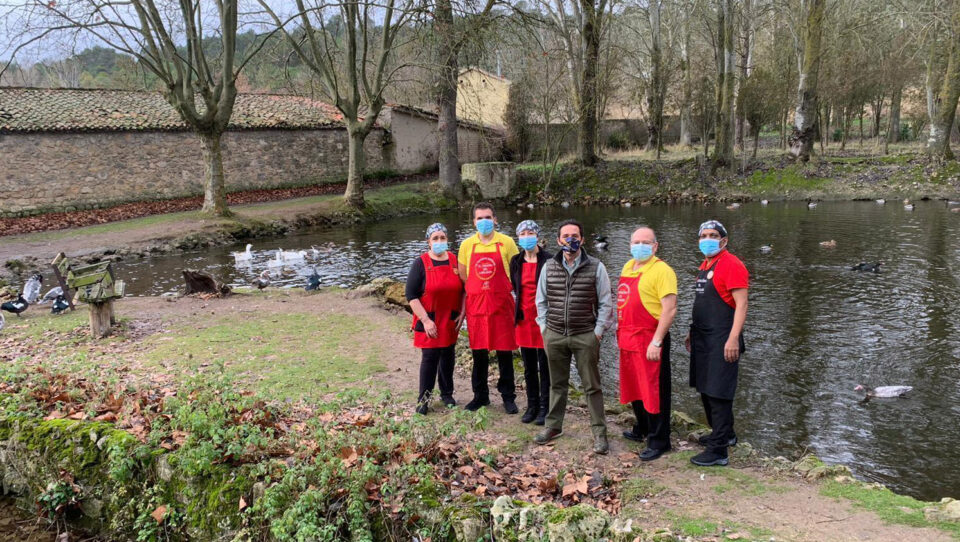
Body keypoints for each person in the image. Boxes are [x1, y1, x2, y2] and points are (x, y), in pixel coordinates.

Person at [534, 219, 614, 454]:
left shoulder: (596, 266)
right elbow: (541, 301)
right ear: (558, 240)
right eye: (566, 236)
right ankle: (553, 426)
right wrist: (545, 330)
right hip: (555, 335)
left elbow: (606, 303)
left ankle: (599, 434)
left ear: (582, 239)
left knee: (592, 386)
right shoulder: (549, 266)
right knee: (556, 384)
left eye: (575, 235)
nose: (571, 239)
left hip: (584, 335)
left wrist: (597, 333)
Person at [685, 220, 749, 467]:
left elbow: (741, 304)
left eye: (713, 235)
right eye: (703, 235)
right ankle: (726, 434)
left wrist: (733, 338)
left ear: (724, 240)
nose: (707, 239)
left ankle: (719, 451)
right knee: (705, 387)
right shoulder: (706, 264)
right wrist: (693, 331)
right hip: (703, 336)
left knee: (718, 392)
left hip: (723, 337)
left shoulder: (732, 264)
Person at [617, 226, 678, 461]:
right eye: (635, 242)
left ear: (655, 246)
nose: (639, 246)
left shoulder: (662, 270)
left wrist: (657, 341)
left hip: (650, 338)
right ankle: (642, 428)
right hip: (628, 337)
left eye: (645, 242)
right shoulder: (628, 266)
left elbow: (670, 309)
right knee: (635, 386)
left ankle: (660, 439)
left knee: (655, 389)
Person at [457, 202, 520, 413]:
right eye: (480, 218)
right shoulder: (467, 245)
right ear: (474, 222)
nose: (484, 221)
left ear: (495, 219)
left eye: (488, 217)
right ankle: (480, 396)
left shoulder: (508, 242)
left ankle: (508, 397)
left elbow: (516, 272)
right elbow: (464, 276)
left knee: (505, 354)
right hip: (477, 307)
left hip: (501, 305)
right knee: (479, 355)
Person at [405, 223, 465, 415]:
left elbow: (466, 289)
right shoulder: (420, 263)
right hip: (429, 318)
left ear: (447, 239)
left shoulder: (456, 261)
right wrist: (425, 320)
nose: (439, 242)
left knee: (448, 356)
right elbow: (411, 295)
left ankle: (447, 394)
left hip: (450, 318)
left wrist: (463, 312)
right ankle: (424, 399)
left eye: (442, 238)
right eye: (435, 239)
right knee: (430, 358)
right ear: (428, 242)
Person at [510, 220, 552, 425]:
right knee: (528, 367)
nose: (526, 236)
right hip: (524, 319)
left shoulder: (550, 260)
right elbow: (515, 287)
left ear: (537, 234)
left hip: (544, 320)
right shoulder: (515, 261)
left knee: (545, 366)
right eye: (522, 233)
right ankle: (532, 405)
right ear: (518, 238)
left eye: (530, 232)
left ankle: (545, 407)